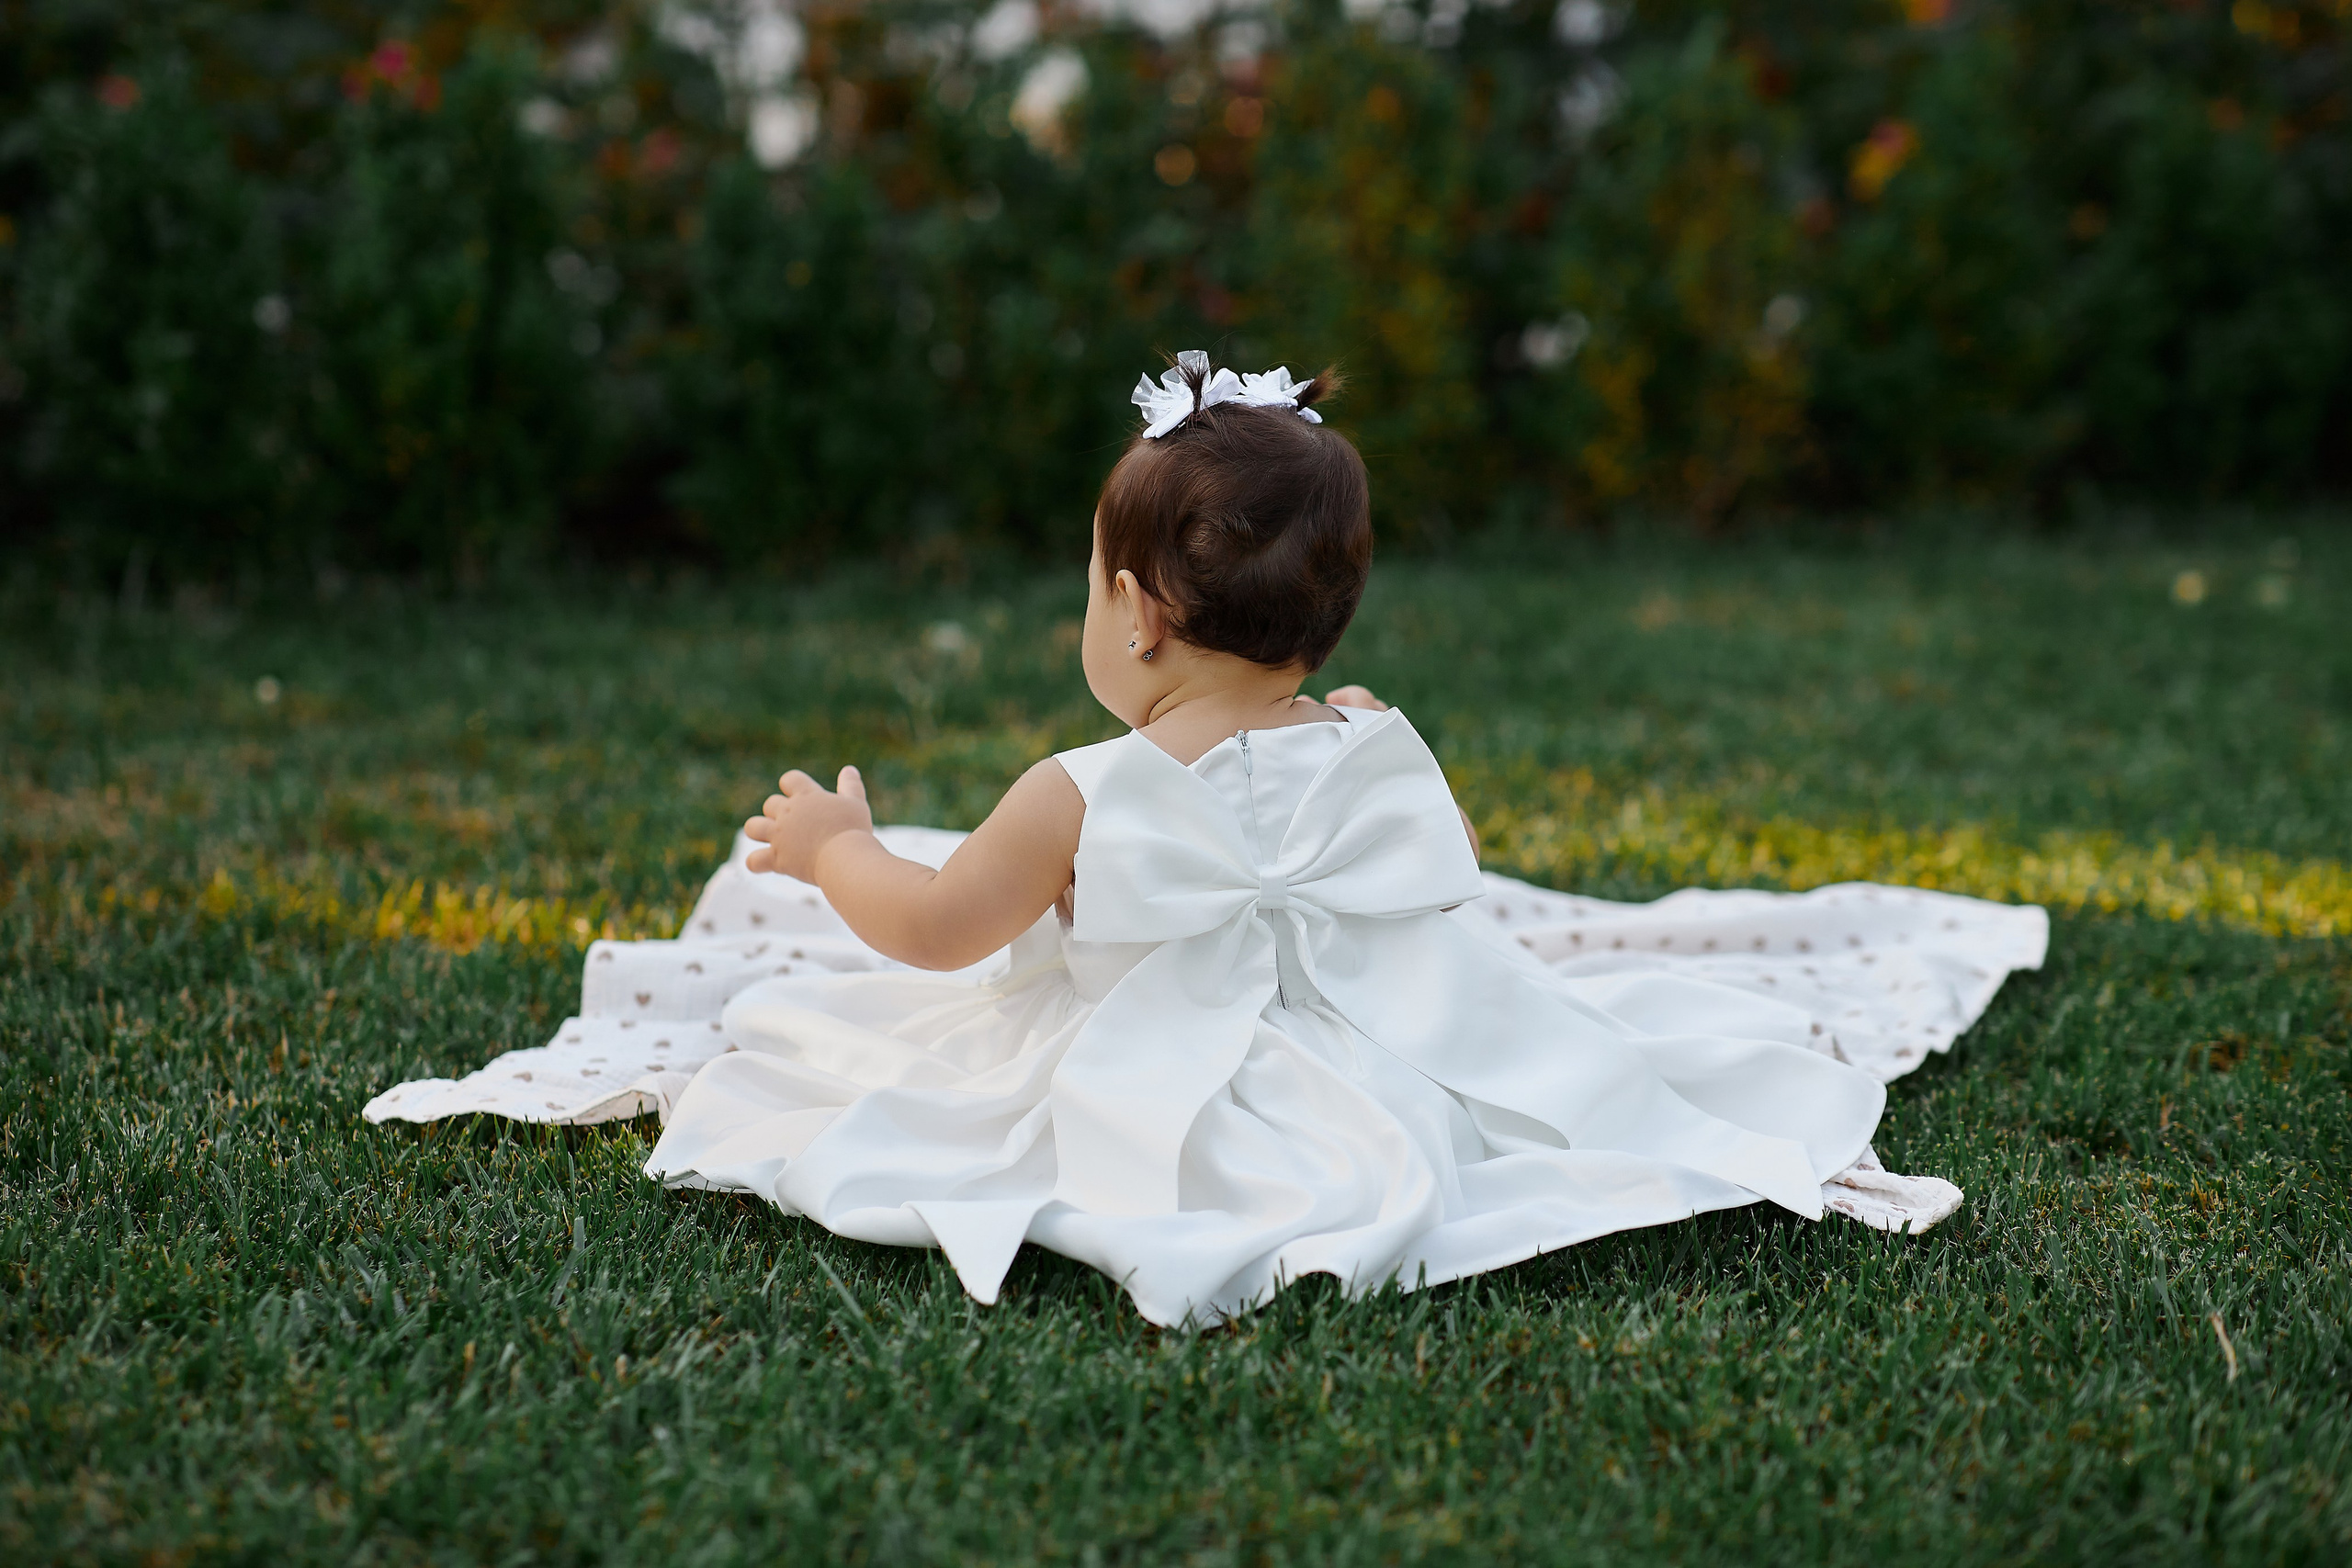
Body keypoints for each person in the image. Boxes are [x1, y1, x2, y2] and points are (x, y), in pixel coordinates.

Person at [365, 352, 2046, 1327]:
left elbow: (940, 930)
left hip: (1184, 1075)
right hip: (1367, 1059)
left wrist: (828, 850)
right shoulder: (1371, 731)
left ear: (1137, 614)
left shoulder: (1072, 797)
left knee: (845, 1052)